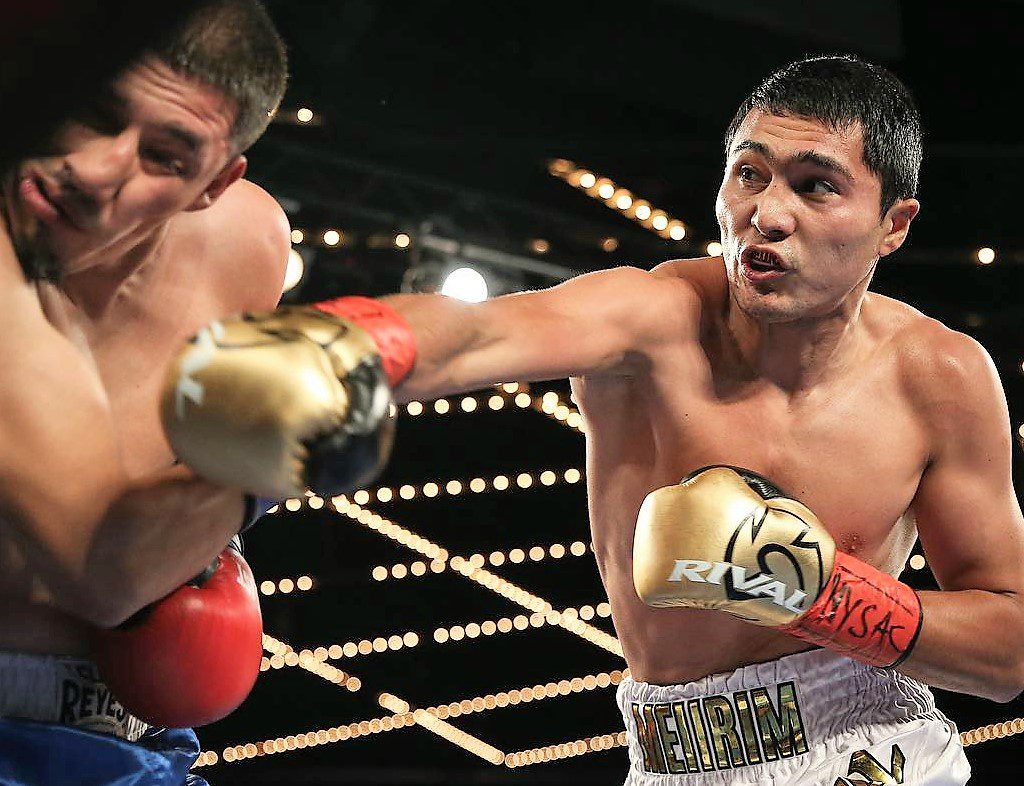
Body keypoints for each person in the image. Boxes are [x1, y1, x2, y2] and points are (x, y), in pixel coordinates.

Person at [361, 54, 1024, 784]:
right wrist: (326, 350)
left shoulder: (938, 376)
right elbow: (472, 334)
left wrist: (819, 593)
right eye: (750, 174)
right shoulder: (650, 320)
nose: (767, 216)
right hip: (669, 757)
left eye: (816, 186)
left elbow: (1010, 653)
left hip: (870, 745)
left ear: (892, 225)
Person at [0, 2, 296, 783]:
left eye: (165, 155)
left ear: (214, 183)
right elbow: (100, 568)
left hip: (131, 750)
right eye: (94, 112)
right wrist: (270, 456)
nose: (99, 167)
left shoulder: (245, 241)